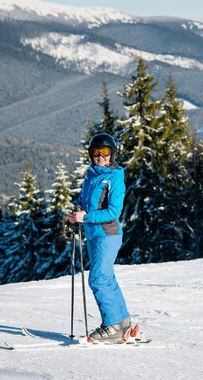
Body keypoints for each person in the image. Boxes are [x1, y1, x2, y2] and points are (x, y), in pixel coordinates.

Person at [68, 133, 131, 343]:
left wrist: (85, 217)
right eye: (96, 152)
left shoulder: (114, 178)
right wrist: (77, 212)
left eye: (105, 152)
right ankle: (122, 323)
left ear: (112, 154)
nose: (100, 157)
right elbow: (84, 201)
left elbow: (113, 212)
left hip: (108, 235)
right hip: (94, 235)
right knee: (107, 278)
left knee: (98, 279)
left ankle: (112, 325)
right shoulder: (92, 175)